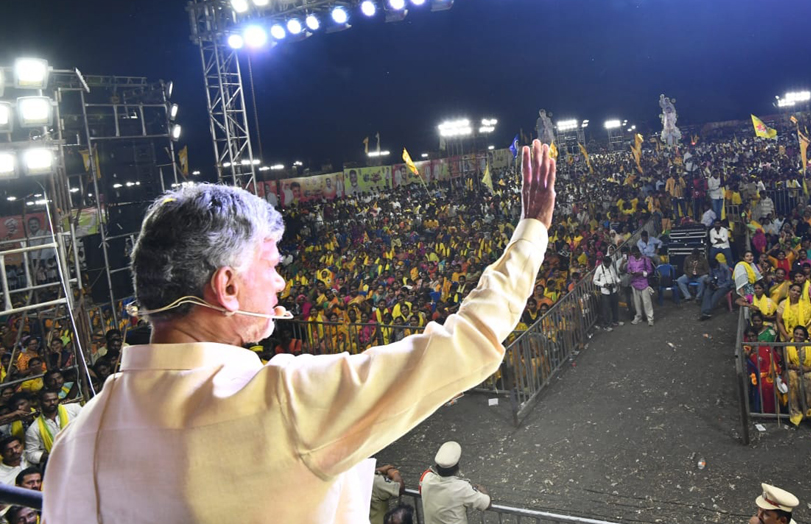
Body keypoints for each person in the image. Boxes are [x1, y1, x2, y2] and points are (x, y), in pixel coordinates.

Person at [44, 140, 557, 522]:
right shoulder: (279, 401)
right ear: (227, 286)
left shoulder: (75, 443)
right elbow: (466, 342)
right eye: (271, 265)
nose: (281, 282)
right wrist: (533, 227)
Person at [421, 441, 490, 524]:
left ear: (436, 466)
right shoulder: (462, 487)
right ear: (457, 468)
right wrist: (483, 491)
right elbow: (486, 504)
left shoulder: (426, 478)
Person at [23, 388, 81, 466]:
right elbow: (31, 454)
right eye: (47, 401)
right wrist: (54, 455)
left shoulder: (73, 409)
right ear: (40, 402)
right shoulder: (34, 428)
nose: (52, 403)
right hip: (59, 464)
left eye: (55, 399)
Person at [627, 246, 655, 326]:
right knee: (637, 302)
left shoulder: (645, 259)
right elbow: (628, 269)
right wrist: (631, 272)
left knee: (646, 302)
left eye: (636, 253)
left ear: (639, 252)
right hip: (634, 282)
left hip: (643, 282)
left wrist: (642, 273)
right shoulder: (631, 259)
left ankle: (650, 318)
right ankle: (638, 316)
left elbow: (650, 270)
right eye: (633, 254)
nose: (635, 255)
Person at [699, 254, 733, 321]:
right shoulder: (711, 268)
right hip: (715, 284)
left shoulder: (725, 268)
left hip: (725, 286)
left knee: (715, 296)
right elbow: (711, 276)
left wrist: (719, 286)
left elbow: (729, 281)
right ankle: (704, 312)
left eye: (715, 267)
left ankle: (708, 312)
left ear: (718, 264)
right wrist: (709, 281)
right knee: (707, 293)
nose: (714, 269)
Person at [592, 256, 621, 331]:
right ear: (604, 262)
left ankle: (615, 321)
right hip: (605, 291)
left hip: (613, 289)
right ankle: (606, 325)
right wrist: (603, 285)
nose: (608, 265)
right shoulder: (599, 269)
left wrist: (618, 281)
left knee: (615, 306)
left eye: (609, 263)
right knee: (606, 309)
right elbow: (595, 280)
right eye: (607, 264)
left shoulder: (611, 266)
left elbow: (615, 276)